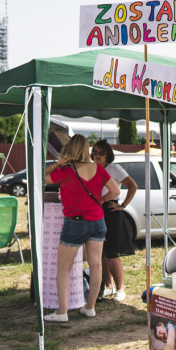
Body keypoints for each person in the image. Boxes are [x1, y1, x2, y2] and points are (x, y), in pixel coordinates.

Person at [44, 134, 119, 323]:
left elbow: (46, 178)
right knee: (96, 265)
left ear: (69, 149)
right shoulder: (98, 168)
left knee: (63, 268)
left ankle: (62, 312)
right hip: (98, 221)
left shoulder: (66, 171)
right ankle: (90, 307)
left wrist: (58, 163)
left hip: (75, 222)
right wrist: (100, 201)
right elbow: (116, 191)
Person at [90, 140, 136, 302]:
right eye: (95, 152)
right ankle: (108, 286)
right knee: (100, 251)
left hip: (110, 209)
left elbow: (133, 186)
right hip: (96, 209)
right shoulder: (92, 168)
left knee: (111, 252)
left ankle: (120, 288)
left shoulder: (114, 168)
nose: (97, 155)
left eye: (101, 152)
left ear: (108, 154)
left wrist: (122, 205)